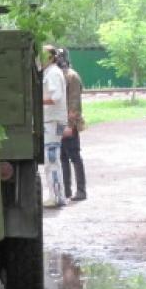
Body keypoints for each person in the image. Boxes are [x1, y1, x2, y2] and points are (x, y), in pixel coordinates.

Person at [58, 49, 87, 201]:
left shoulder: (71, 76)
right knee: (62, 157)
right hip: (60, 121)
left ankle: (81, 191)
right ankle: (67, 190)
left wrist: (70, 125)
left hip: (69, 123)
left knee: (74, 156)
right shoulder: (61, 75)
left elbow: (74, 102)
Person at [41, 45, 69, 207]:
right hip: (52, 120)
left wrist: (37, 101)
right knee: (52, 158)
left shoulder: (52, 74)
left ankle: (57, 196)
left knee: (51, 159)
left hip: (52, 121)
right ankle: (57, 195)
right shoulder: (52, 72)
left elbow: (56, 97)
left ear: (51, 57)